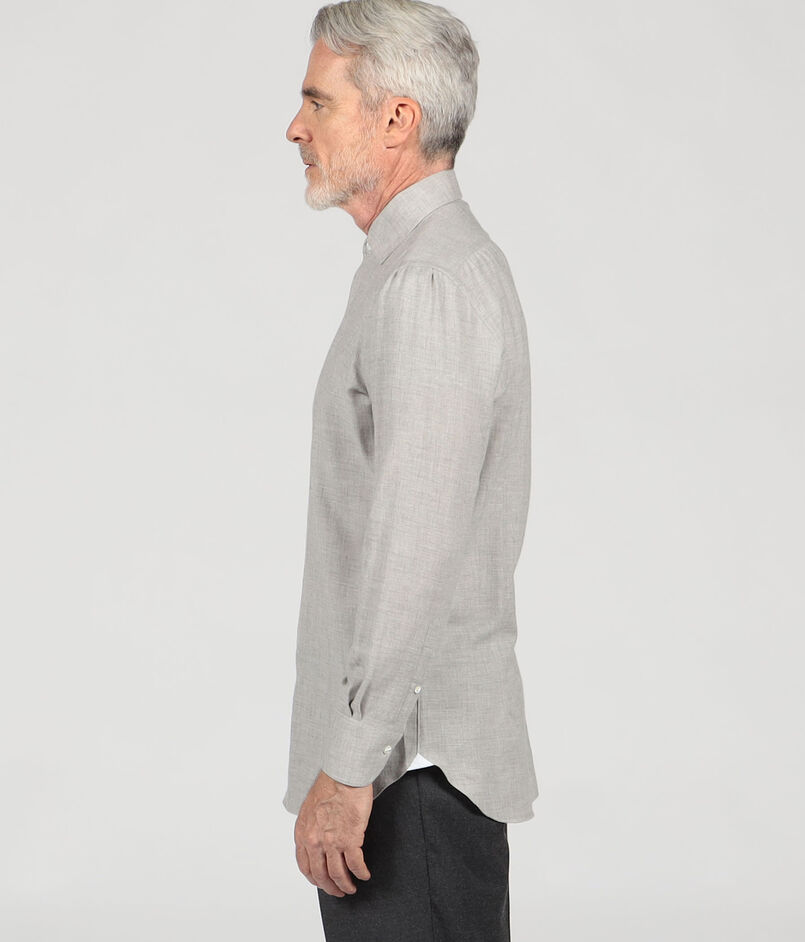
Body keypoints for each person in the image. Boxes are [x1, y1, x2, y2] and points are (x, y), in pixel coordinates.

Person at [282, 1, 539, 938]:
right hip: (404, 774)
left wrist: (351, 764)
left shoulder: (428, 280)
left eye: (318, 100)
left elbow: (416, 541)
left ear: (397, 119)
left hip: (407, 780)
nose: (294, 127)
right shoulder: (411, 269)